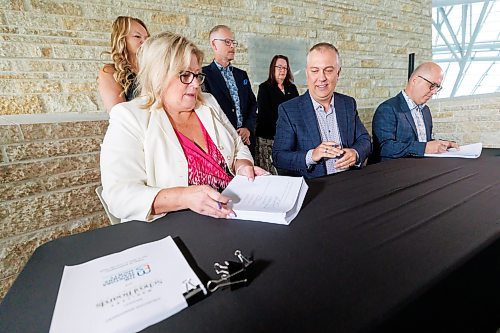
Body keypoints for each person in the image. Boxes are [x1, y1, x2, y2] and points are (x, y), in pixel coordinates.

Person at [100, 32, 267, 222]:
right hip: (177, 228)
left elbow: (237, 145)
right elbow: (119, 196)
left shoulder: (208, 103)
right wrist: (184, 197)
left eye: (197, 75)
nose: (196, 84)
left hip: (234, 213)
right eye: (185, 75)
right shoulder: (129, 117)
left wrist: (243, 166)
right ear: (158, 75)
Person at [272, 43, 372, 179]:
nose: (322, 78)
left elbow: (364, 139)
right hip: (313, 188)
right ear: (307, 73)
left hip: (349, 183)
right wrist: (311, 155)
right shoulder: (289, 110)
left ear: (338, 73)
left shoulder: (348, 104)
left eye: (328, 70)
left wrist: (355, 153)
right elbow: (279, 157)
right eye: (315, 70)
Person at [371, 61, 459, 162]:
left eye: (437, 87)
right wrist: (425, 148)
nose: (434, 92)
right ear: (415, 80)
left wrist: (442, 145)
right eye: (432, 85)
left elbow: (423, 142)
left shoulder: (425, 110)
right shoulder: (387, 109)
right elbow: (385, 148)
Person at [202, 25, 257, 155]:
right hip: (221, 144)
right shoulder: (203, 75)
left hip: (245, 141)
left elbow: (252, 104)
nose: (232, 46)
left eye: (233, 42)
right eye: (227, 42)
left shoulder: (241, 75)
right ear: (214, 45)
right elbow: (207, 111)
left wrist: (248, 128)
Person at [255, 55, 299, 172]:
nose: (282, 70)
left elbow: (297, 111)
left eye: (285, 68)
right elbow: (265, 115)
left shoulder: (292, 88)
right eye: (279, 67)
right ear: (272, 68)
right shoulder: (265, 88)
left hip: (289, 139)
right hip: (269, 138)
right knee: (270, 173)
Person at [98, 16, 149, 112]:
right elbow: (119, 113)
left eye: (147, 38)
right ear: (122, 39)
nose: (144, 41)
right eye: (137, 36)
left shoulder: (153, 68)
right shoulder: (109, 72)